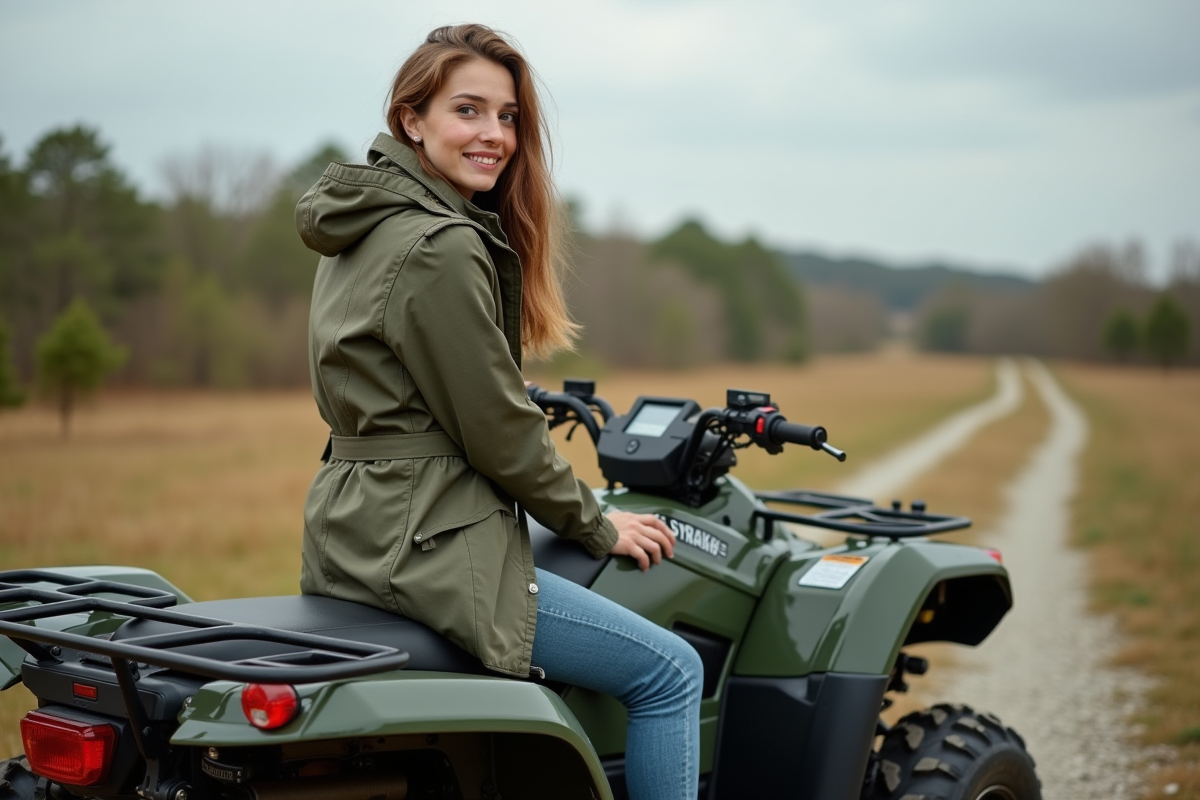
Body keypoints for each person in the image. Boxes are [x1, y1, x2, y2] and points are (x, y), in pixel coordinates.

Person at [295, 23, 703, 800]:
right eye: (468, 110)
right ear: (412, 120)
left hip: (354, 531)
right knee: (670, 673)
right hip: (429, 547)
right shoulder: (440, 245)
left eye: (508, 116)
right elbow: (499, 432)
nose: (495, 135)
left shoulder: (360, 225)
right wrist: (595, 522)